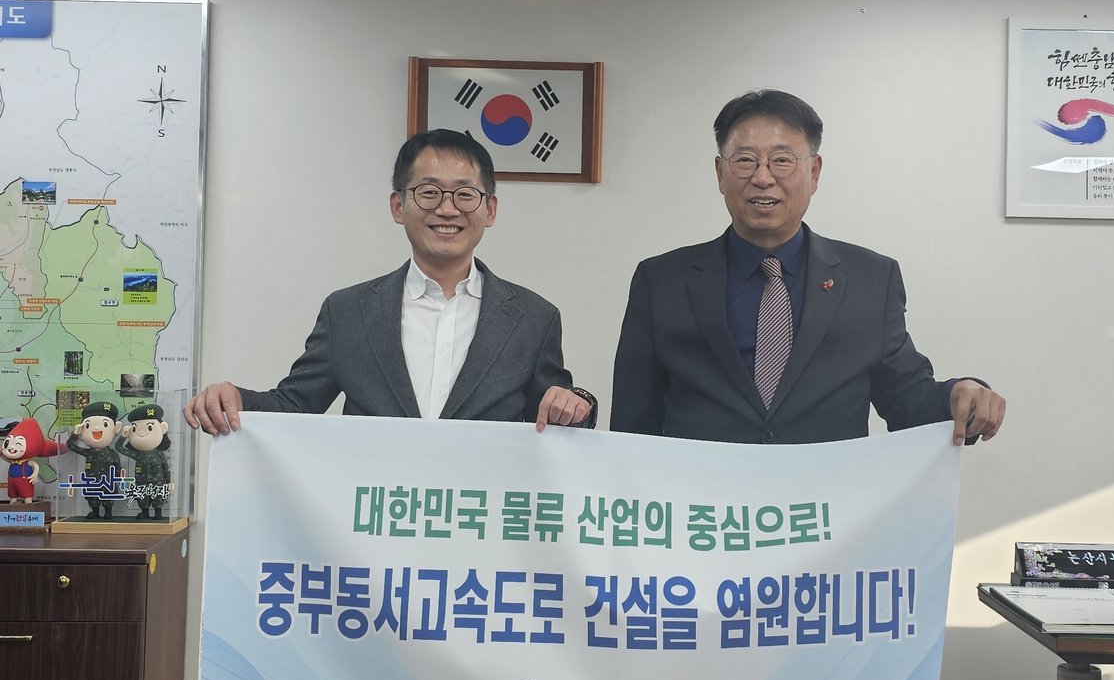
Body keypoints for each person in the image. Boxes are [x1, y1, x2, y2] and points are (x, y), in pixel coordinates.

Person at [611, 90, 1004, 446]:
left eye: (782, 161)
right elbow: (632, 424)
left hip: (824, 500)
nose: (762, 178)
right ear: (720, 173)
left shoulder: (871, 279)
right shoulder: (661, 281)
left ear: (814, 173)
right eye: (745, 160)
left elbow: (905, 398)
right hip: (702, 499)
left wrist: (961, 395)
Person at [185, 129, 594, 435]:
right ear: (398, 206)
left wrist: (578, 404)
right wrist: (236, 400)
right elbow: (295, 404)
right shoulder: (348, 313)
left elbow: (557, 412)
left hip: (479, 518)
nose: (447, 209)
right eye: (428, 192)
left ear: (490, 210)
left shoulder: (533, 318)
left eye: (465, 195)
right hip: (376, 516)